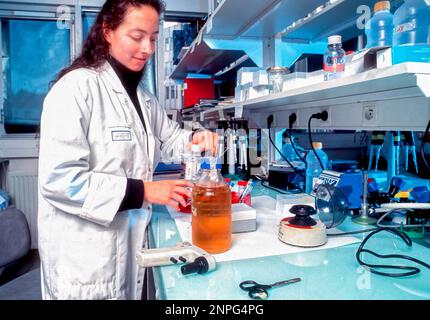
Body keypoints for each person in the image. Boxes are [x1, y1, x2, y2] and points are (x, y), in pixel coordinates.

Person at [38, 0, 217, 300]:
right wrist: (143, 191)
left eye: (153, 38)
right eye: (137, 37)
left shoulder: (144, 98)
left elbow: (172, 138)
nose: (147, 48)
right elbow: (60, 180)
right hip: (85, 261)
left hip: (126, 245)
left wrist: (197, 138)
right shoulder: (76, 89)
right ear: (107, 30)